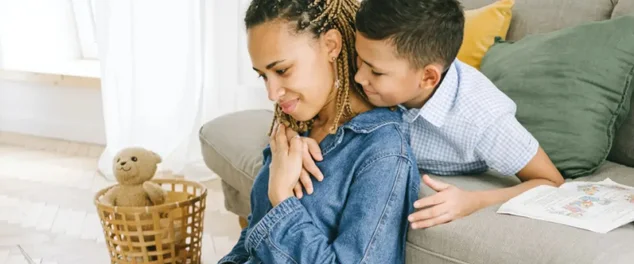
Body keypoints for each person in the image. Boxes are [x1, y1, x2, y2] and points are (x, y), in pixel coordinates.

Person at [295, 0, 565, 230]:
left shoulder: (483, 118)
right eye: (358, 59)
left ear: (428, 77)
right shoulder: (376, 61)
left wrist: (474, 201)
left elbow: (551, 181)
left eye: (375, 71)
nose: (358, 76)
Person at [218, 0, 420, 263]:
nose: (272, 93)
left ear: (331, 46)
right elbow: (250, 242)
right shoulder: (294, 131)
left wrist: (281, 198)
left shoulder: (383, 153)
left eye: (282, 70)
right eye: (263, 76)